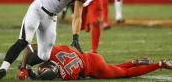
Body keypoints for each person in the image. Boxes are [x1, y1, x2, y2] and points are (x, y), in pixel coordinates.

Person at [0, 0, 94, 80]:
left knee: (44, 55)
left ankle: (26, 67)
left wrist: (75, 36)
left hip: (51, 17)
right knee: (24, 40)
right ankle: (3, 68)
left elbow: (77, 15)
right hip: (38, 7)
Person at [18, 44, 172, 80]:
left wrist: (31, 71)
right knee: (114, 68)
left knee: (124, 74)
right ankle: (134, 61)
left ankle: (160, 64)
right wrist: (27, 66)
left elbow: (76, 76)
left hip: (92, 68)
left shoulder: (65, 75)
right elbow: (30, 47)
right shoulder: (56, 51)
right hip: (91, 56)